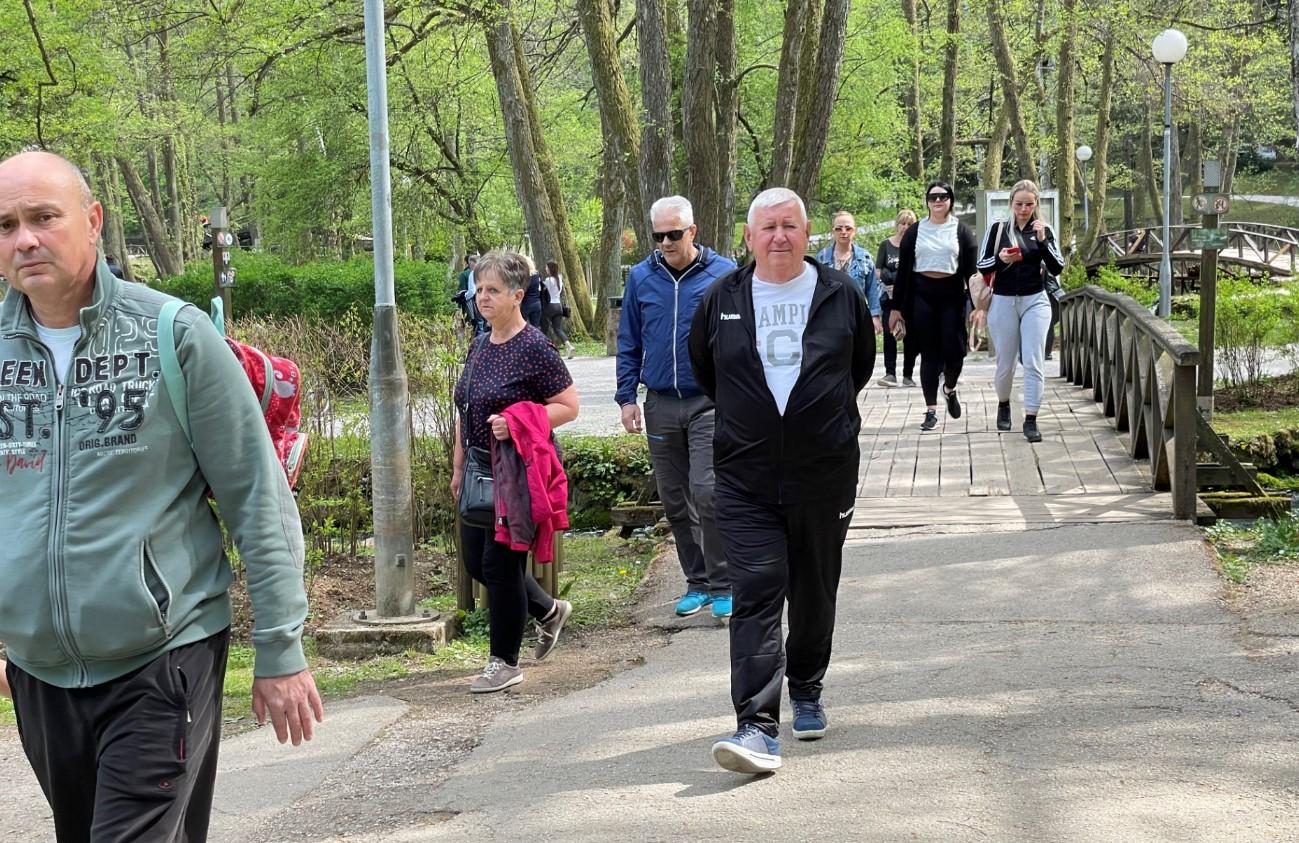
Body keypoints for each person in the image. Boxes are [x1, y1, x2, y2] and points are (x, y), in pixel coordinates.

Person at [0, 150, 322, 841]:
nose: (24, 238)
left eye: (43, 217)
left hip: (163, 654)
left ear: (92, 221)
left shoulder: (172, 335)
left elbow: (254, 494)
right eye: (5, 224)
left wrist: (281, 646)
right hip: (39, 673)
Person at [688, 187, 875, 774]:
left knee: (815, 588)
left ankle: (809, 687)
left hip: (823, 473)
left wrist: (816, 423)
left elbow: (859, 368)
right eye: (767, 227)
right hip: (746, 476)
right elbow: (707, 370)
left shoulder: (840, 293)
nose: (778, 237)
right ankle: (757, 727)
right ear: (748, 237)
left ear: (808, 231)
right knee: (759, 588)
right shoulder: (721, 299)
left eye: (789, 225)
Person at [453, 250, 580, 693]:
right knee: (475, 560)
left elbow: (569, 406)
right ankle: (548, 610)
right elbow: (465, 408)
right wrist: (458, 465)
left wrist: (519, 421)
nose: (482, 298)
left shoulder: (535, 348)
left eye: (493, 291)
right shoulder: (480, 343)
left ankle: (504, 662)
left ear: (517, 296)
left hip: (518, 473)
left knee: (500, 562)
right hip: (479, 469)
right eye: (479, 289)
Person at [617, 195, 736, 620]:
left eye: (673, 234)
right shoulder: (641, 278)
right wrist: (626, 396)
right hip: (661, 403)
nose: (665, 243)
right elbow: (628, 340)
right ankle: (697, 581)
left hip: (709, 402)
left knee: (708, 491)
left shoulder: (724, 275)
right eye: (658, 235)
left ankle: (724, 583)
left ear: (692, 232)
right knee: (674, 498)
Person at [976, 179, 1065, 443]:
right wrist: (1001, 258)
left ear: (1036, 203)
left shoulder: (1044, 230)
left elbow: (1058, 266)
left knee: (1034, 360)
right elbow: (982, 264)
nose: (1023, 209)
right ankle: (1004, 403)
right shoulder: (998, 228)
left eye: (1028, 204)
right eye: (1018, 204)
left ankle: (1031, 418)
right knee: (1005, 363)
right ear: (1011, 204)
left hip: (1035, 300)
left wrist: (1042, 243)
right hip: (1003, 300)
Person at [889, 180, 980, 432]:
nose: (938, 201)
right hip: (922, 294)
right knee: (929, 353)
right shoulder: (915, 232)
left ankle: (949, 388)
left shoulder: (961, 231)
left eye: (943, 197)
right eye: (933, 197)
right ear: (927, 202)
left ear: (950, 200)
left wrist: (976, 306)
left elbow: (972, 274)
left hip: (952, 293)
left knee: (955, 350)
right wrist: (896, 309)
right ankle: (930, 410)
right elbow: (903, 273)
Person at [814, 210, 883, 335]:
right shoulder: (821, 258)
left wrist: (875, 316)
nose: (843, 232)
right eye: (839, 228)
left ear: (854, 231)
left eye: (848, 228)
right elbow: (815, 290)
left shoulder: (865, 258)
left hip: (857, 316)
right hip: (829, 318)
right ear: (833, 231)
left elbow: (872, 289)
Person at [876, 209, 920, 387]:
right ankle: (890, 373)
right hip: (890, 297)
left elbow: (916, 272)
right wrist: (894, 277)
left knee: (911, 336)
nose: (905, 227)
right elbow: (879, 271)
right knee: (889, 333)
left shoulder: (917, 246)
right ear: (897, 225)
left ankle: (908, 375)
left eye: (910, 224)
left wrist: (895, 276)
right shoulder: (886, 245)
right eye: (903, 223)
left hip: (910, 298)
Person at [541, 260, 575, 358]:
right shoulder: (559, 279)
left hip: (550, 306)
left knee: (544, 327)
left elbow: (543, 290)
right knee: (558, 329)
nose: (545, 269)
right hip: (559, 307)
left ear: (550, 269)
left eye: (547, 267)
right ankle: (569, 346)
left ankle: (546, 349)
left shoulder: (548, 280)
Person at [522, 255, 544, 329]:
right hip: (537, 303)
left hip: (526, 304)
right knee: (535, 327)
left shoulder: (525, 276)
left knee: (521, 326)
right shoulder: (537, 275)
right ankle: (536, 340)